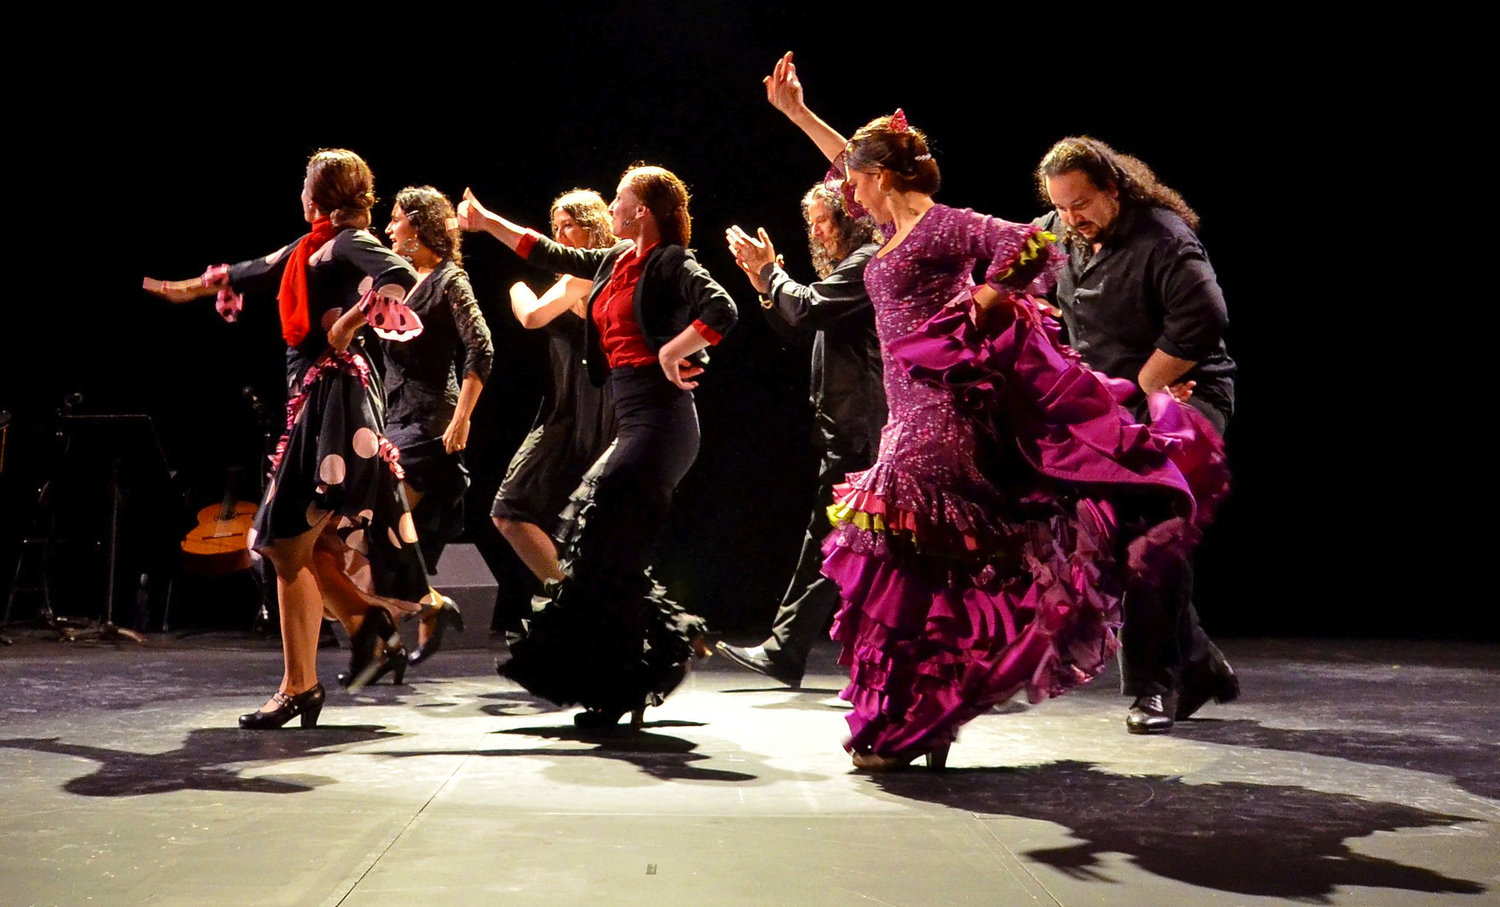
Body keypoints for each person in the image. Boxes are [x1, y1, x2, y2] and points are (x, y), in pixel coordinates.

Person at [762, 53, 1228, 770]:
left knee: (913, 568)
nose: (847, 189)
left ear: (880, 177)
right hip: (913, 414)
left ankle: (919, 719)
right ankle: (925, 716)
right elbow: (856, 167)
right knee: (928, 570)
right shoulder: (891, 230)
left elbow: (1031, 248)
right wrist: (799, 114)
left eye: (856, 178)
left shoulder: (947, 227)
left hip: (952, 418)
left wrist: (981, 306)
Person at [143, 149, 431, 728]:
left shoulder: (348, 242)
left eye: (305, 183)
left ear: (320, 194)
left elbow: (400, 275)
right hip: (319, 402)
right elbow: (252, 268)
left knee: (281, 540)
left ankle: (307, 679)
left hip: (336, 402)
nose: (299, 192)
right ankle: (353, 638)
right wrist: (184, 289)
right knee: (295, 547)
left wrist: (347, 323)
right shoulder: (309, 247)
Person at [458, 165, 737, 730]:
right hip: (633, 420)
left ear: (644, 211)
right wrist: (486, 223)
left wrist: (672, 351)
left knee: (607, 550)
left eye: (619, 199)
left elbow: (722, 309)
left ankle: (630, 681)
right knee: (605, 555)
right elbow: (545, 251)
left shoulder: (670, 261)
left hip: (661, 422)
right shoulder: (615, 260)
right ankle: (631, 679)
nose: (611, 207)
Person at [1034, 137, 1239, 734]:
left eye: (1082, 204)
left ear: (1114, 189)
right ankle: (1197, 664)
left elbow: (1206, 316)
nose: (1071, 217)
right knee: (1117, 536)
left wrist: (1150, 387)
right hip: (1111, 407)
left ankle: (1157, 685)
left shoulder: (1164, 238)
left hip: (1185, 397)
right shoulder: (1058, 230)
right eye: (1061, 206)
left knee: (1151, 532)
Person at [717, 183, 884, 687]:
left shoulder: (867, 261)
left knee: (835, 537)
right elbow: (799, 325)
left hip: (861, 425)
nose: (816, 232)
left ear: (850, 218)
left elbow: (810, 308)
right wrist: (764, 286)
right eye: (811, 223)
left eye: (823, 221)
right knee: (848, 541)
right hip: (847, 424)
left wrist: (773, 274)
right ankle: (795, 650)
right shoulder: (849, 267)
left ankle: (787, 650)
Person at [380, 185, 494, 668]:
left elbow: (481, 346)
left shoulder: (450, 279)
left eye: (396, 219)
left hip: (430, 423)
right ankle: (402, 629)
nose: (388, 228)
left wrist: (463, 417)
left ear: (420, 225)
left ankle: (417, 613)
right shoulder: (399, 280)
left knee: (382, 519)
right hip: (394, 419)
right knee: (384, 535)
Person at [491, 190, 617, 589]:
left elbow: (532, 316)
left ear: (593, 227)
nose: (560, 236)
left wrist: (516, 288)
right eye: (556, 228)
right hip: (567, 409)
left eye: (569, 226)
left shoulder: (590, 274)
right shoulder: (571, 278)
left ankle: (583, 600)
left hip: (601, 409)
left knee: (596, 524)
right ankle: (566, 594)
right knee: (509, 510)